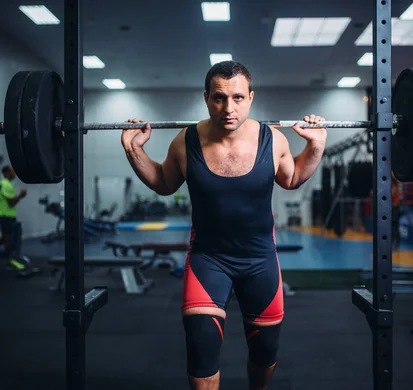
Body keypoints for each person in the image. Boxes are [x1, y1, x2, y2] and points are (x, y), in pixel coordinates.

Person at [121, 60, 327, 390]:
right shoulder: (185, 141)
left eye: (237, 98)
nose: (228, 108)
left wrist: (315, 145)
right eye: (218, 98)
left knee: (264, 352)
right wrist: (133, 149)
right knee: (200, 349)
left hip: (260, 261)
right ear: (206, 98)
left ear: (250, 97)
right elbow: (162, 182)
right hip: (208, 260)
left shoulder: (272, 140)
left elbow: (291, 178)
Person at [0, 165, 27, 269]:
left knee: (4, 238)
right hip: (5, 216)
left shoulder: (7, 184)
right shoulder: (5, 184)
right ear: (7, 173)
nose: (14, 173)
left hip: (6, 215)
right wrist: (21, 195)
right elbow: (11, 202)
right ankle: (10, 261)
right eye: (12, 171)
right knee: (8, 240)